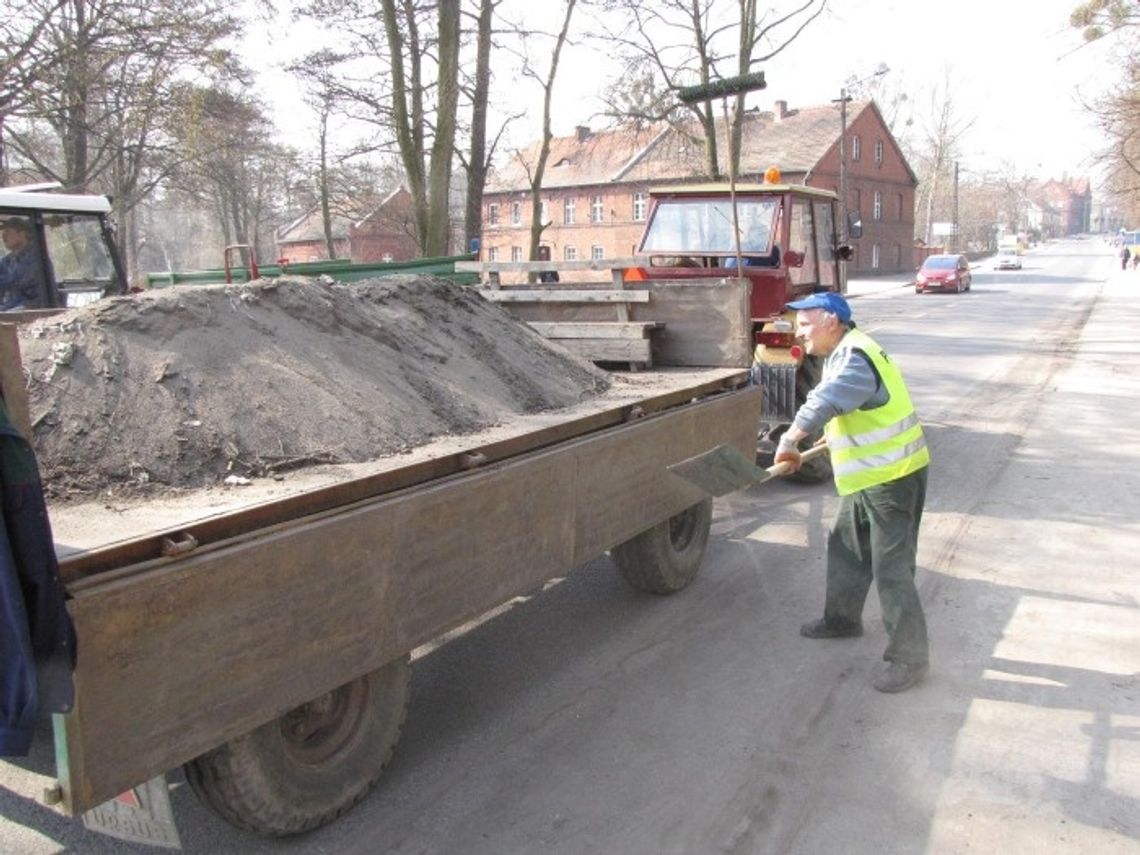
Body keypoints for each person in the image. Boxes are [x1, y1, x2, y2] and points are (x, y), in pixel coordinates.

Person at [774, 291, 931, 693]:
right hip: (868, 477)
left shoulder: (854, 357)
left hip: (892, 479)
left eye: (806, 325)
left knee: (891, 568)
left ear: (831, 322)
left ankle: (909, 658)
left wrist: (791, 439)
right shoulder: (846, 351)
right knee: (846, 545)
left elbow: (826, 400)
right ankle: (842, 620)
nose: (800, 333)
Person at [0, 218, 45, 310]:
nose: (3, 236)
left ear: (22, 233)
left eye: (7, 231)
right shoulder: (7, 260)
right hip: (11, 306)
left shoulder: (36, 257)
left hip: (32, 307)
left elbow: (16, 282)